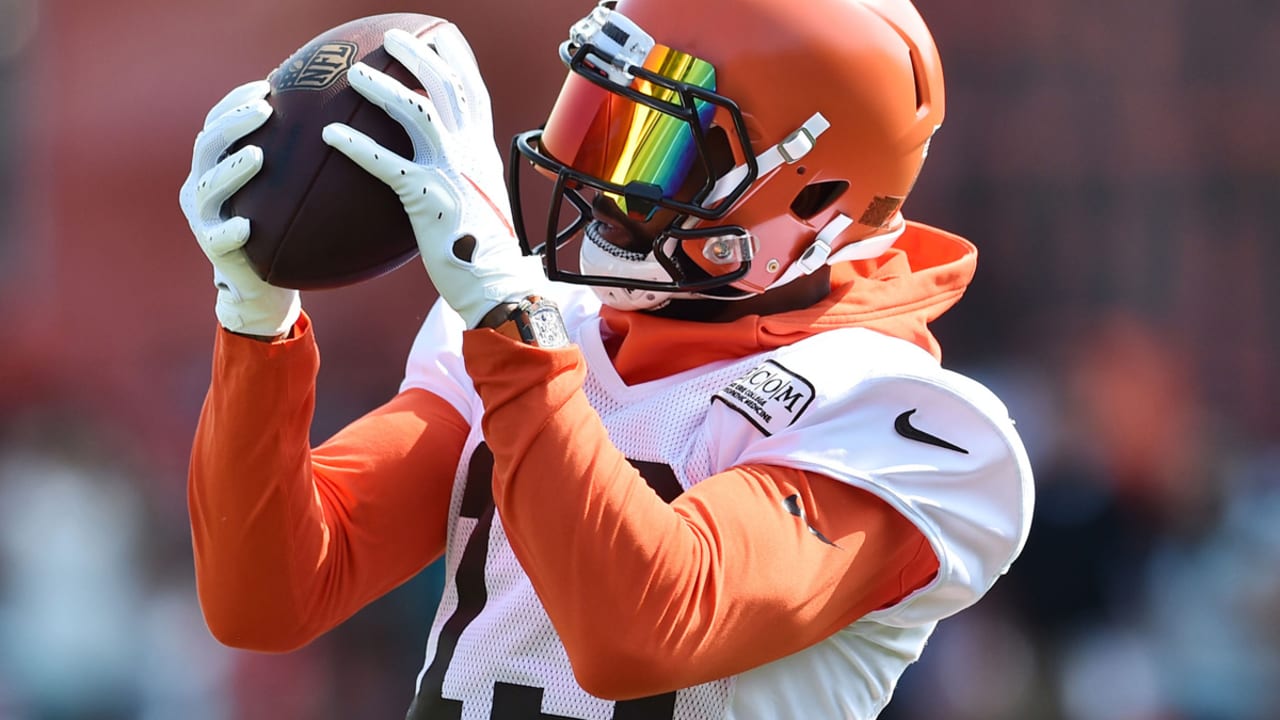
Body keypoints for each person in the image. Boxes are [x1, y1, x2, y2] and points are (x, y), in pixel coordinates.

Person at [179, 0, 1034, 717]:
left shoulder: (910, 421)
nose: (593, 183)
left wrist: (512, 323)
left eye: (650, 150)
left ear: (811, 193)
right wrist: (256, 322)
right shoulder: (541, 334)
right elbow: (275, 593)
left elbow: (646, 626)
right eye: (594, 119)